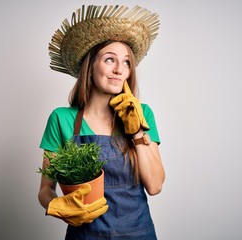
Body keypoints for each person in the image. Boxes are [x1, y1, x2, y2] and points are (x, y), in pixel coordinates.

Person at [38, 4, 165, 240]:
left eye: (126, 62)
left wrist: (137, 132)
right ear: (90, 65)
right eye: (109, 60)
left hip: (138, 233)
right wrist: (56, 206)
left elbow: (155, 186)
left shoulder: (143, 113)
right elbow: (45, 189)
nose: (119, 69)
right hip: (85, 235)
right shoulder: (61, 119)